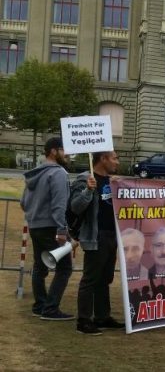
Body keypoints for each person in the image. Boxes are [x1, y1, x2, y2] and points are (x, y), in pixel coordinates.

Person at [70, 151, 124, 335]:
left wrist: (120, 185)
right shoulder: (85, 179)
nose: (117, 162)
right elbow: (75, 207)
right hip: (95, 235)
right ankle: (83, 320)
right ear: (103, 159)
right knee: (90, 279)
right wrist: (88, 190)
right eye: (114, 158)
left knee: (105, 279)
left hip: (111, 235)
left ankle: (102, 317)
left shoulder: (112, 180)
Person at [21, 136, 74, 320]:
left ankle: (40, 305)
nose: (68, 155)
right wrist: (61, 230)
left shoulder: (34, 173)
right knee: (65, 268)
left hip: (35, 226)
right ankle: (50, 309)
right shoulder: (58, 173)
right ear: (54, 151)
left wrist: (35, 214)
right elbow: (59, 205)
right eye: (64, 150)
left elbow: (23, 202)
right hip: (52, 227)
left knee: (39, 266)